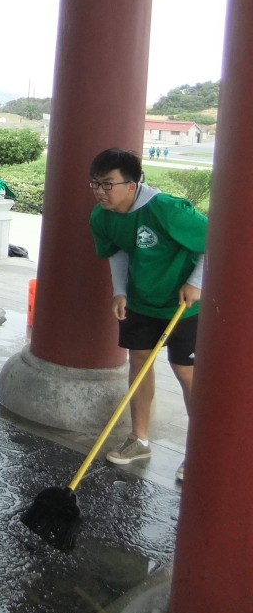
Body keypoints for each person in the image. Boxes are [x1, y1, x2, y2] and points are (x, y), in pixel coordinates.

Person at [89, 147, 207, 482]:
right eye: (95, 184)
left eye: (108, 184)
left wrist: (196, 282)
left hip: (183, 305)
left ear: (132, 184)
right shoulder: (101, 217)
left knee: (186, 372)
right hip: (141, 301)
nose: (100, 191)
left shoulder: (167, 210)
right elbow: (117, 252)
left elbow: (215, 241)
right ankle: (139, 438)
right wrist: (120, 291)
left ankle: (199, 450)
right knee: (139, 362)